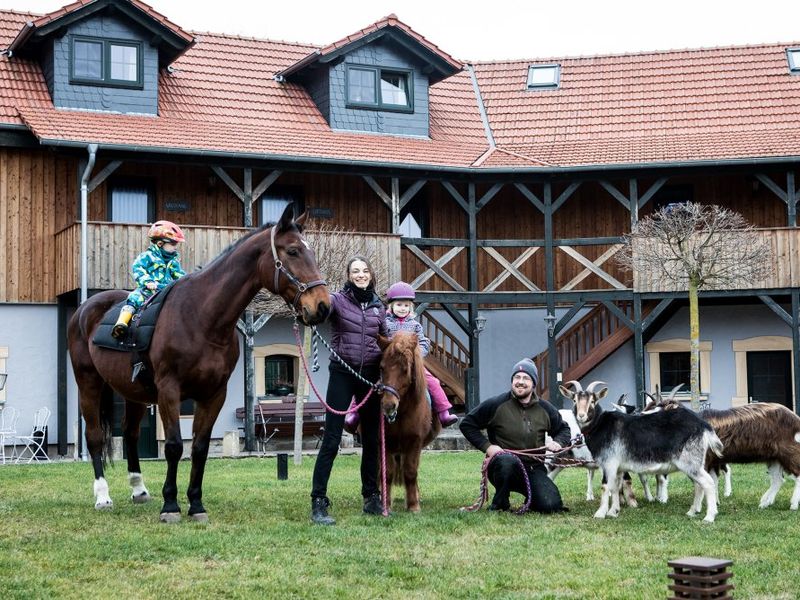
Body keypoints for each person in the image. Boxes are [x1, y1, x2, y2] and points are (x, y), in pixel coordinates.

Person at [311, 255, 387, 525]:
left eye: (365, 270)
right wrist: (308, 310)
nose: (361, 275)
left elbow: (385, 340)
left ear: (371, 274)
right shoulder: (338, 300)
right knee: (331, 438)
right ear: (348, 275)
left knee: (372, 440)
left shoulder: (380, 307)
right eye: (355, 271)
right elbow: (320, 312)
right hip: (342, 373)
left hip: (370, 378)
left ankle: (371, 496)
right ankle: (318, 500)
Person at [343, 281, 458, 434]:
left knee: (432, 381)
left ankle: (444, 412)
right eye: (399, 305)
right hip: (388, 364)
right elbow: (379, 340)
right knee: (367, 382)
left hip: (410, 364)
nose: (402, 309)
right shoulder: (385, 323)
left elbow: (423, 342)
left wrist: (417, 355)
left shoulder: (415, 326)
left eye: (406, 306)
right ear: (391, 306)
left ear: (410, 308)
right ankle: (353, 414)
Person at [459, 358, 571, 513]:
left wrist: (558, 442)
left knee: (550, 505)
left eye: (526, 378)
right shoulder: (496, 404)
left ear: (533, 384)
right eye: (517, 377)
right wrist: (488, 447)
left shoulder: (546, 409)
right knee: (507, 461)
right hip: (502, 465)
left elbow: (564, 430)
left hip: (534, 468)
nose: (520, 382)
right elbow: (467, 424)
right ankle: (500, 503)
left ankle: (532, 499)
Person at [111, 220, 186, 338]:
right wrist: (148, 282)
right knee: (134, 298)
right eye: (173, 244)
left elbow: (179, 274)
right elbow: (138, 268)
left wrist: (187, 281)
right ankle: (121, 323)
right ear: (160, 244)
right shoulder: (147, 256)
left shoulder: (173, 261)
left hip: (166, 290)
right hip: (147, 290)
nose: (175, 248)